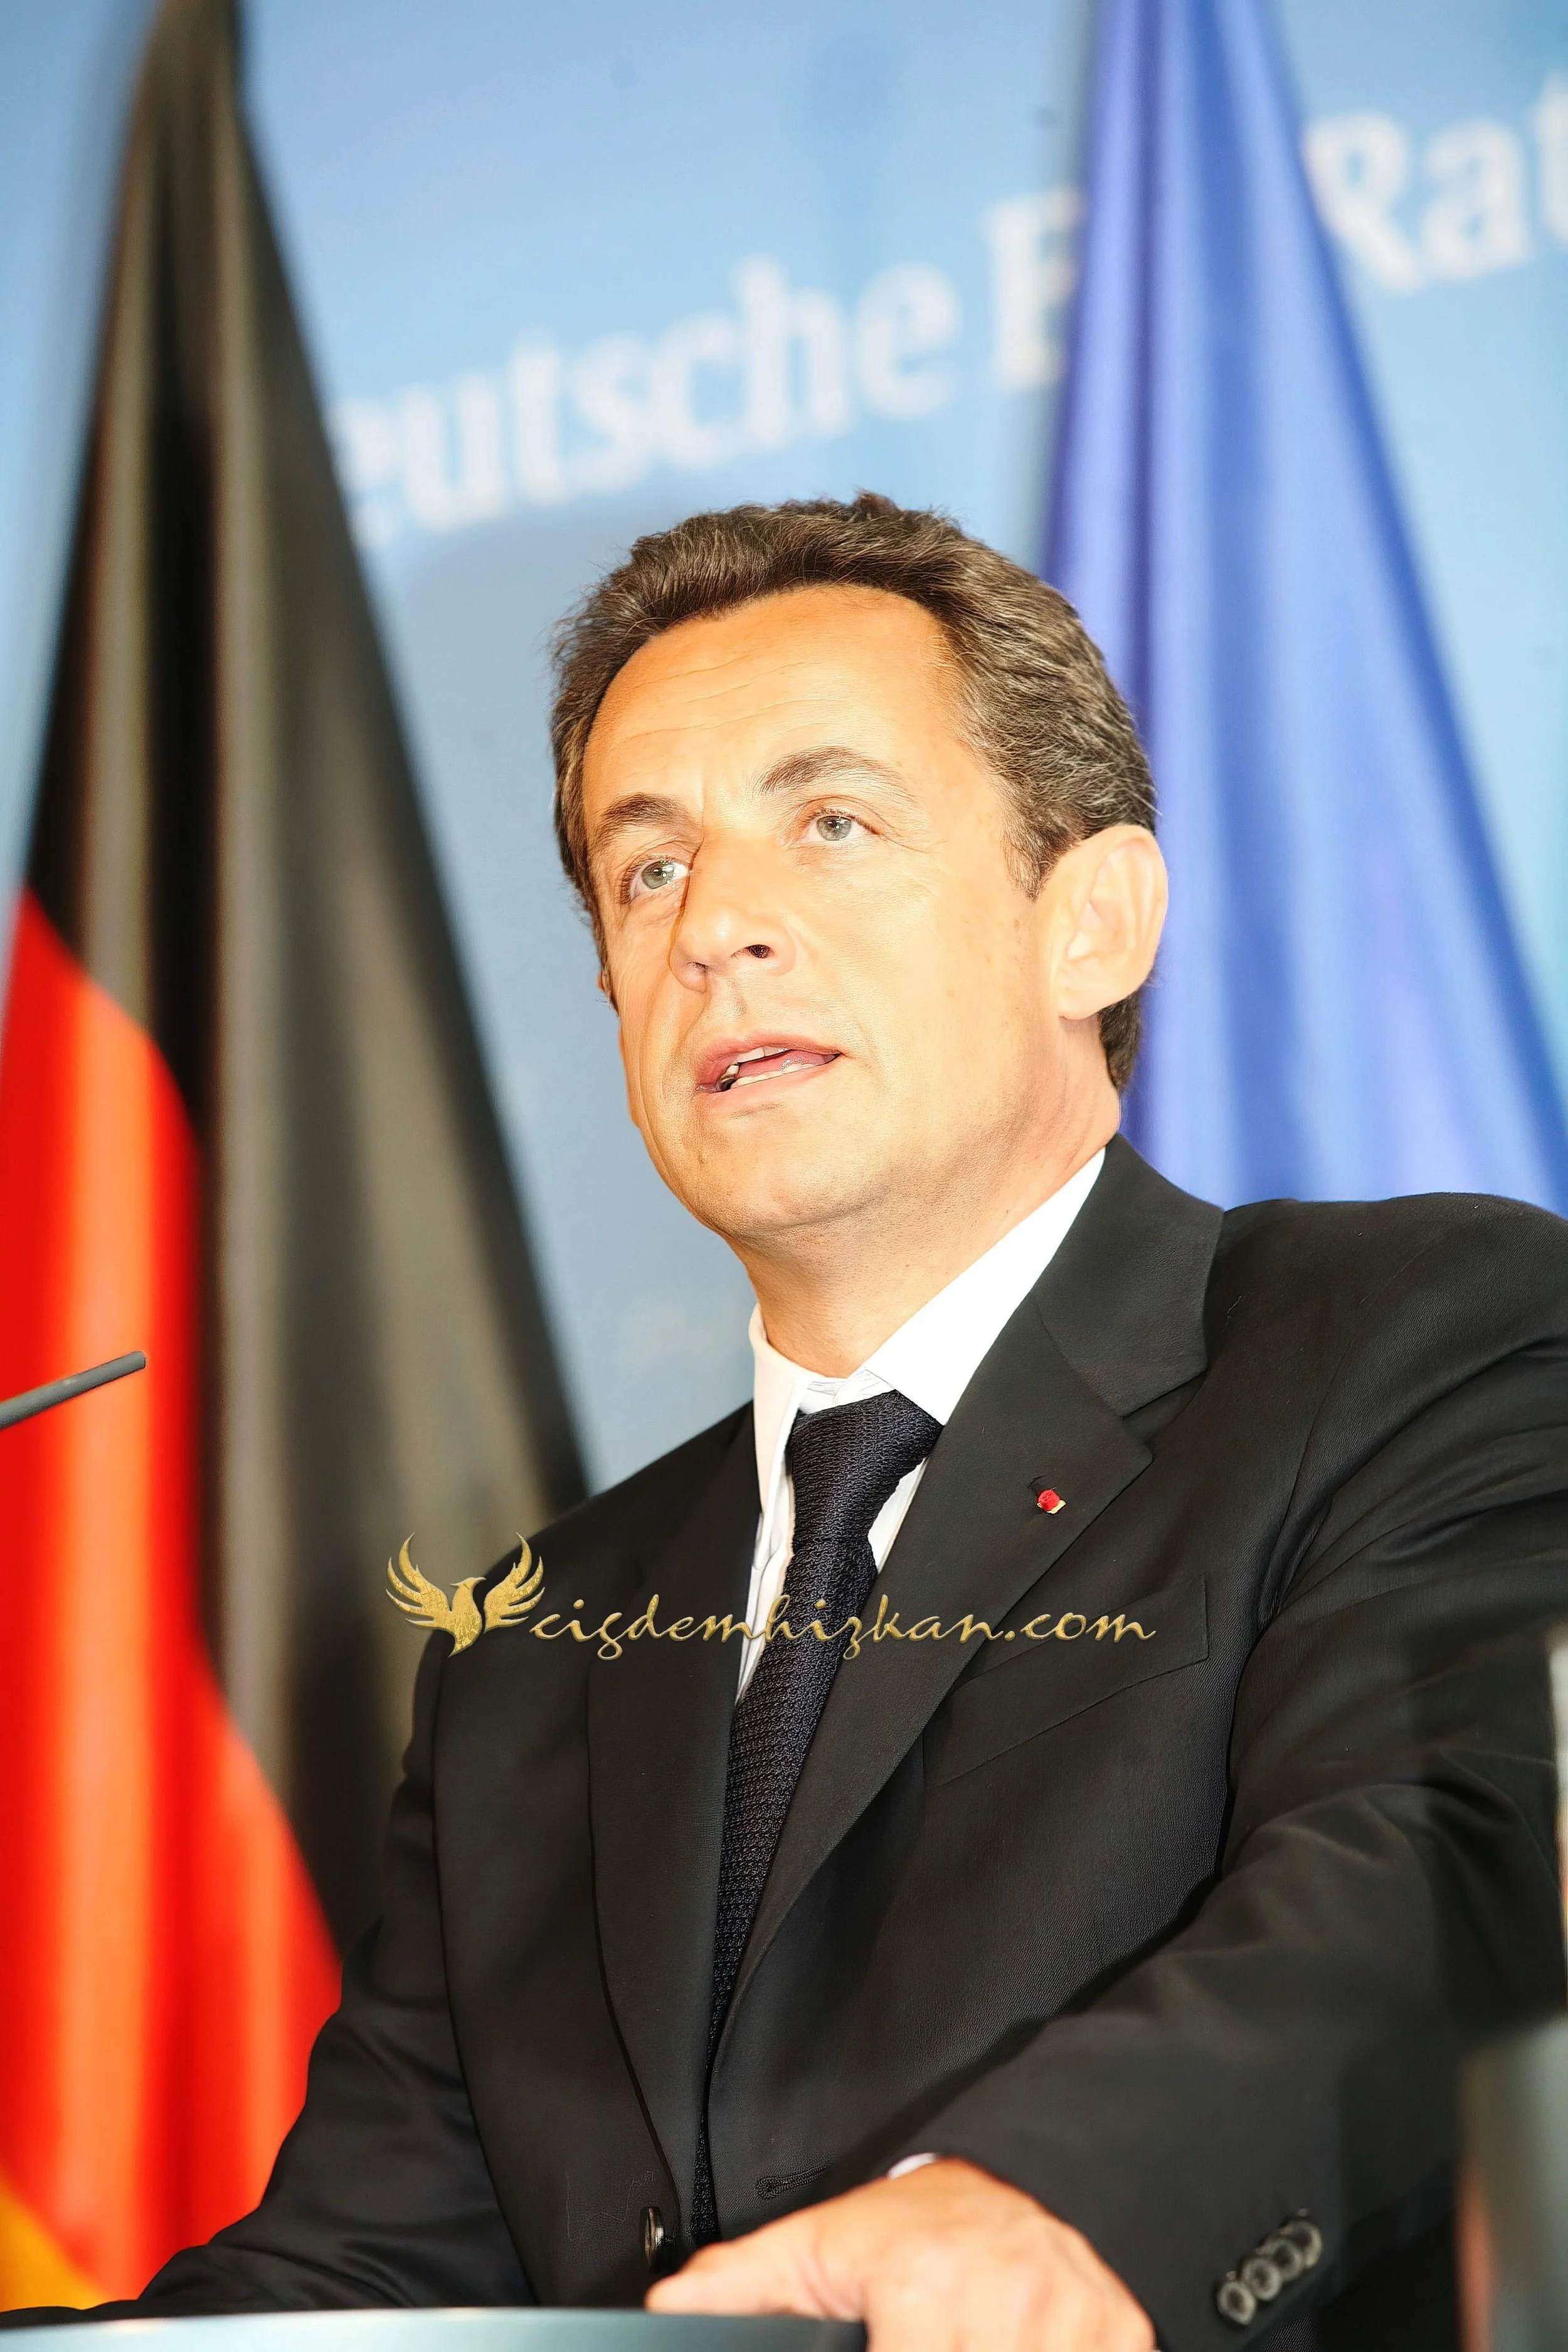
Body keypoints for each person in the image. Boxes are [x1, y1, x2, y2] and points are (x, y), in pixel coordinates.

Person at [12, 494, 1567, 2352]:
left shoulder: (1408, 1337)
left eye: (829, 823)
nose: (718, 928)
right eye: (644, 868)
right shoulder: (537, 1634)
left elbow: (1445, 1854)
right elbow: (364, 2271)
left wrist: (1064, 2202)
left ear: (1094, 921)